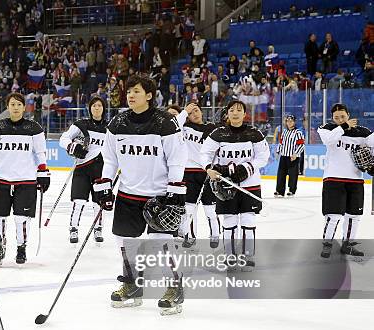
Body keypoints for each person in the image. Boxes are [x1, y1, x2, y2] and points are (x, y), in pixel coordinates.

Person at [94, 74, 195, 315]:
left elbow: (177, 159)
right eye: (129, 91)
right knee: (125, 241)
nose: (131, 95)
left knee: (161, 244)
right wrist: (105, 184)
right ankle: (131, 285)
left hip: (159, 196)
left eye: (137, 91)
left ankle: (174, 287)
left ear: (149, 95)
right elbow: (110, 158)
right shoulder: (117, 123)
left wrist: (174, 191)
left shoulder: (165, 122)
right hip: (128, 194)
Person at [0, 92, 49, 265]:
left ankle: (21, 247)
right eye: (12, 104)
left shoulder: (34, 128)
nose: (16, 107)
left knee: (21, 218)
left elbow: (40, 152)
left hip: (25, 181)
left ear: (24, 107)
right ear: (7, 106)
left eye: (19, 104)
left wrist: (43, 172)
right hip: (1, 180)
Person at [202, 100, 270, 268]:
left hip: (250, 184)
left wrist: (248, 167)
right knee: (229, 220)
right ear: (227, 113)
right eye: (232, 110)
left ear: (245, 113)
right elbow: (205, 152)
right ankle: (230, 256)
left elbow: (263, 155)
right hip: (226, 184)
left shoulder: (254, 133)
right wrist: (208, 167)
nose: (235, 113)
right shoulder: (218, 134)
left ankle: (248, 255)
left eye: (239, 110)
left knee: (248, 219)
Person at [317, 103, 374, 258]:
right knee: (333, 215)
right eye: (336, 118)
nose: (340, 119)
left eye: (342, 116)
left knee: (353, 216)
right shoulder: (327, 129)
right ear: (332, 118)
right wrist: (343, 127)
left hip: (355, 179)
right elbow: (328, 141)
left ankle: (348, 244)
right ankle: (327, 244)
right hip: (333, 178)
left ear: (348, 114)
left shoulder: (363, 132)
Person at [59, 96, 108, 244]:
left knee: (99, 202)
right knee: (78, 201)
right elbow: (64, 138)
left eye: (99, 105)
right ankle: (73, 228)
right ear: (90, 108)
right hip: (82, 168)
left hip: (101, 169)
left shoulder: (109, 128)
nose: (97, 108)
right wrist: (73, 147)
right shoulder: (81, 125)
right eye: (94, 105)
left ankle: (98, 227)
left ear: (103, 108)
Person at [179, 102, 220, 248]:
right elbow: (174, 124)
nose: (194, 114)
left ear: (202, 112)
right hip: (189, 173)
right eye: (190, 113)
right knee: (189, 208)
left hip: (207, 173)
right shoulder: (184, 129)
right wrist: (184, 112)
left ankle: (215, 234)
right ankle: (190, 236)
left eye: (196, 110)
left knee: (210, 208)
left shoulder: (212, 129)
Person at [275, 114, 305, 197]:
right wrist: (278, 151)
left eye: (291, 121)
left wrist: (295, 154)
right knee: (281, 173)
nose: (289, 122)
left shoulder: (298, 132)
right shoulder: (284, 132)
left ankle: (292, 190)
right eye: (287, 121)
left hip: (293, 157)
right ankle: (279, 191)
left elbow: (301, 145)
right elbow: (281, 143)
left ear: (294, 122)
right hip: (284, 156)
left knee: (293, 175)